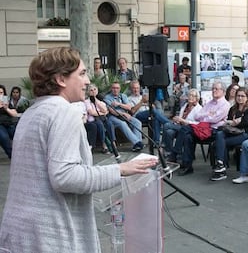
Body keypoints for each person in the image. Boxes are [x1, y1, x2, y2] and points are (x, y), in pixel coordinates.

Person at [0, 47, 158, 252]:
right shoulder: (63, 112)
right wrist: (121, 170)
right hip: (50, 237)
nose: (87, 81)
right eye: (82, 73)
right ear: (60, 79)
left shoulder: (33, 112)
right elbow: (64, 176)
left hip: (19, 234)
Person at [167, 81, 230, 176]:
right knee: (188, 136)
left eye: (216, 89)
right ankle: (187, 166)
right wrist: (208, 114)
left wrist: (206, 117)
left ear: (223, 91)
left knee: (184, 129)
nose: (213, 90)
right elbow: (197, 116)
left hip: (214, 131)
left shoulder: (225, 104)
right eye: (213, 88)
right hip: (202, 128)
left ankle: (174, 154)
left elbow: (215, 119)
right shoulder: (209, 103)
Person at [212, 87, 248, 181]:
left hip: (247, 134)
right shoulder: (233, 108)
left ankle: (221, 167)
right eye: (238, 96)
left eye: (242, 96)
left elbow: (245, 123)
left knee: (219, 142)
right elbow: (229, 121)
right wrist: (235, 122)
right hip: (233, 132)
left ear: (247, 97)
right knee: (220, 134)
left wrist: (235, 122)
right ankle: (221, 165)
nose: (240, 98)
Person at [162, 88, 203, 157]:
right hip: (179, 126)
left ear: (197, 98)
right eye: (190, 95)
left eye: (193, 96)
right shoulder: (185, 105)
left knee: (166, 125)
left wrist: (183, 121)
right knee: (169, 132)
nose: (190, 97)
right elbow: (181, 117)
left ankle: (163, 146)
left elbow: (198, 124)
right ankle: (170, 153)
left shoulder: (199, 109)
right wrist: (177, 119)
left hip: (188, 128)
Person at [104, 81, 144, 151]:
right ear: (111, 89)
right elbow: (112, 111)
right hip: (113, 117)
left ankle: (137, 144)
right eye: (113, 88)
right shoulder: (107, 98)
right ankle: (137, 142)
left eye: (117, 88)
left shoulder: (123, 96)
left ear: (119, 89)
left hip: (124, 115)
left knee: (137, 122)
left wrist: (119, 104)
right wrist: (123, 113)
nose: (115, 90)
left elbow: (129, 107)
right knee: (123, 123)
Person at [85, 84, 114, 154]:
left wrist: (96, 101)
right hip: (93, 120)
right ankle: (104, 145)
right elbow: (92, 113)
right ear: (88, 92)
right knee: (100, 125)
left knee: (110, 124)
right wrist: (103, 113)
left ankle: (113, 143)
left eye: (95, 89)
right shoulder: (87, 101)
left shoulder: (100, 100)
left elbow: (104, 110)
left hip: (102, 118)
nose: (93, 91)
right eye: (91, 90)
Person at [0, 85, 18, 158]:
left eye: (1, 93)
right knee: (4, 138)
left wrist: (6, 108)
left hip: (9, 123)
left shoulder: (6, 102)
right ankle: (13, 157)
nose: (0, 94)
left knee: (18, 135)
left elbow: (15, 114)